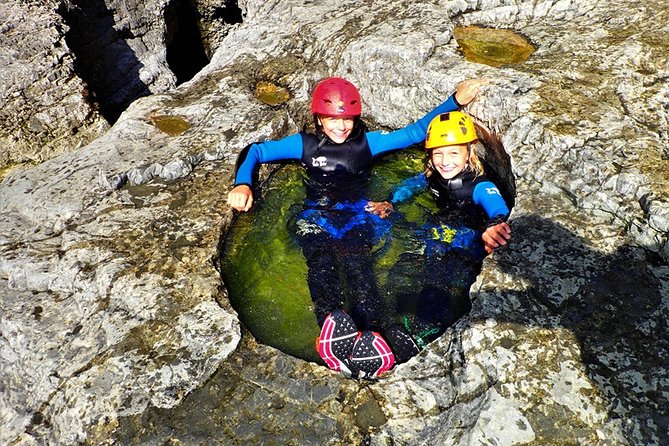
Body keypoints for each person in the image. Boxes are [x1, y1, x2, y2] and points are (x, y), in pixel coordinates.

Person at [227, 77, 485, 379]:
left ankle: (374, 341)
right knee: (322, 267)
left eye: (347, 119)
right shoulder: (305, 145)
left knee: (360, 271)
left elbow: (416, 132)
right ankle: (332, 334)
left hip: (356, 218)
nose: (341, 126)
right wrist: (242, 183)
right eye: (333, 119)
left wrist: (454, 100)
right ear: (319, 118)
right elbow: (255, 151)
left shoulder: (367, 144)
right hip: (317, 219)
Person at [375, 110, 511, 352]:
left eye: (453, 152)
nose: (444, 161)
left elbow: (496, 205)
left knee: (438, 279)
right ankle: (394, 325)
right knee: (404, 266)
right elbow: (411, 185)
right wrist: (390, 202)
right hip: (440, 230)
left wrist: (495, 224)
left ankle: (422, 336)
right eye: (438, 153)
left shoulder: (479, 185)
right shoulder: (434, 176)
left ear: (469, 151)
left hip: (466, 241)